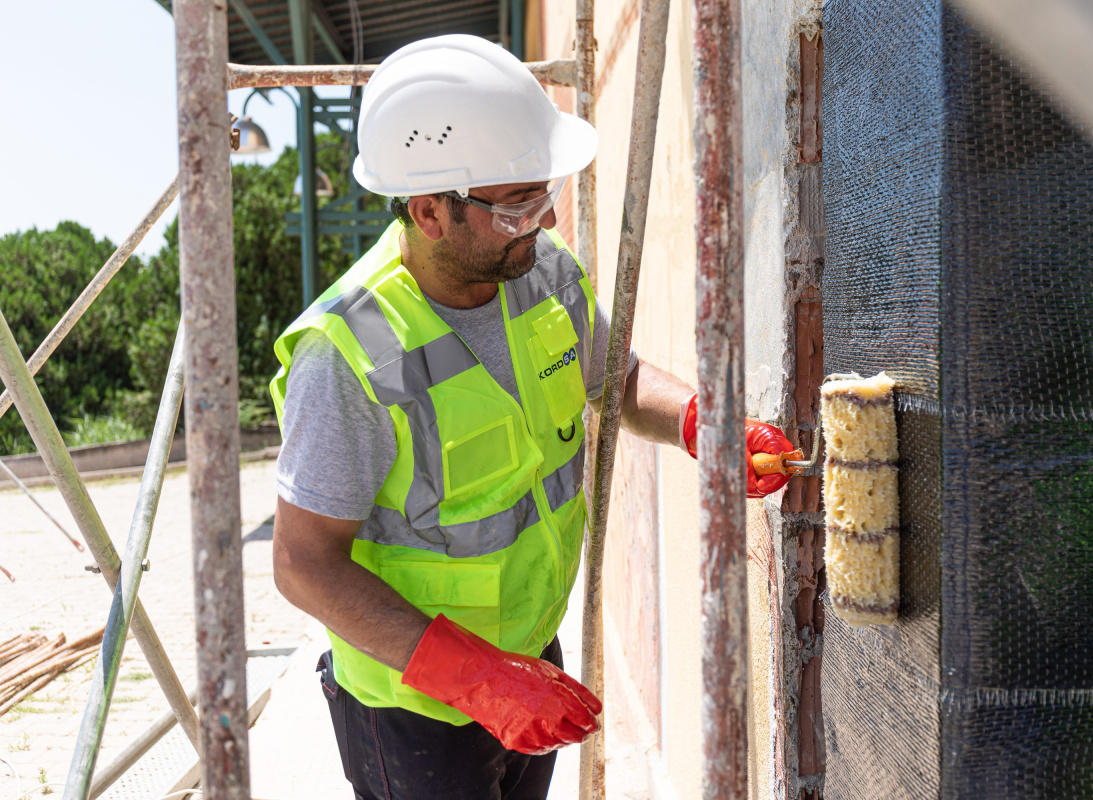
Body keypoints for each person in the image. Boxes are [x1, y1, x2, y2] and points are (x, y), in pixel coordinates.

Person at [269, 34, 792, 800]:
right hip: (418, 706)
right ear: (429, 211)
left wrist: (697, 424)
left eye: (545, 197)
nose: (544, 222)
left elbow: (619, 380)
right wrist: (480, 681)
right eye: (519, 207)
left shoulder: (540, 273)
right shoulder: (347, 355)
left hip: (529, 655)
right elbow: (303, 564)